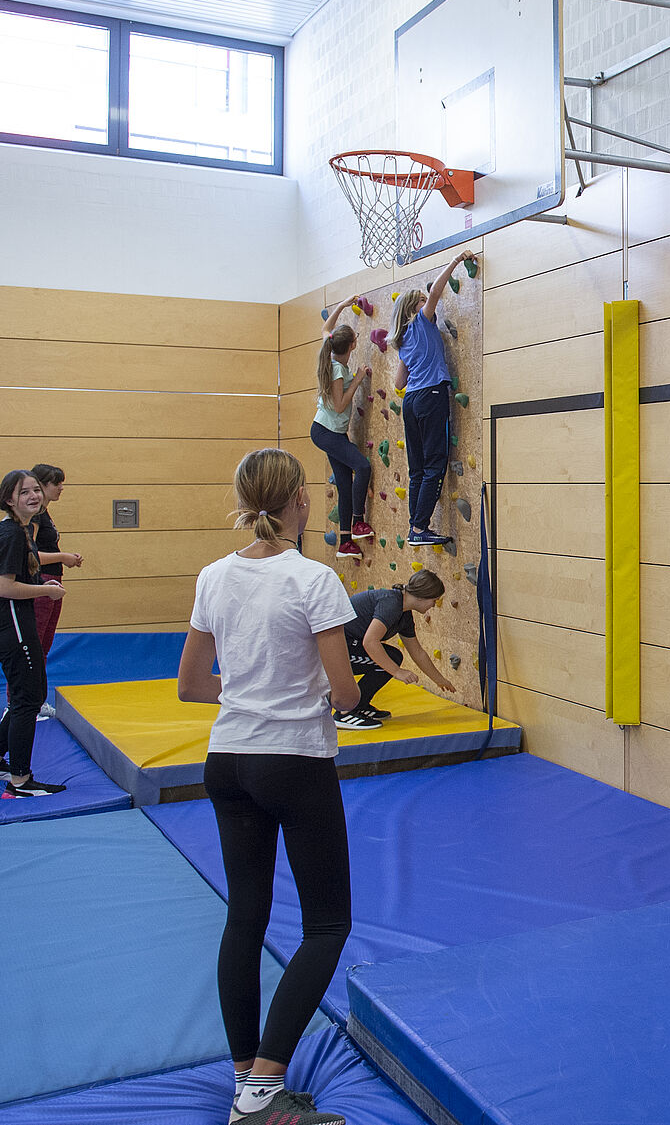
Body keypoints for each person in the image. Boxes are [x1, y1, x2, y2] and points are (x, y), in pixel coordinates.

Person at [176, 448, 359, 1125]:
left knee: (245, 916)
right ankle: (261, 1090)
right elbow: (342, 693)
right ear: (300, 502)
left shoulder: (213, 575)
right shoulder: (314, 579)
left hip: (227, 760)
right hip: (292, 760)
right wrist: (313, 690)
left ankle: (243, 1078)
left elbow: (192, 685)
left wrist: (248, 687)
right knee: (328, 924)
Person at [0, 470, 68, 797]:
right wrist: (44, 593)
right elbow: (4, 586)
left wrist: (42, 584)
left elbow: (16, 577)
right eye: (24, 492)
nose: (34, 496)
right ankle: (20, 780)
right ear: (9, 499)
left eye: (36, 490)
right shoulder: (11, 533)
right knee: (27, 699)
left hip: (10, 622)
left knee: (32, 693)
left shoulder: (21, 531)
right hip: (9, 625)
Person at [391, 251, 473, 547]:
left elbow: (399, 382)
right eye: (423, 303)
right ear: (416, 308)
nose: (430, 305)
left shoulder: (402, 340)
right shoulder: (421, 323)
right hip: (431, 395)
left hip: (410, 402)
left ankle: (415, 526)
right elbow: (436, 291)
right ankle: (419, 527)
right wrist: (454, 262)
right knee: (435, 464)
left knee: (417, 469)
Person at [339, 570, 458, 727]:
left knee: (394, 656)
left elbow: (418, 653)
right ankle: (345, 711)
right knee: (391, 661)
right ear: (422, 596)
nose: (434, 605)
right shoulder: (391, 603)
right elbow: (370, 642)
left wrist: (439, 680)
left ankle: (359, 705)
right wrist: (397, 672)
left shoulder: (404, 614)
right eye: (434, 600)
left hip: (349, 645)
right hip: (332, 650)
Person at [312, 299, 374, 559]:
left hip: (330, 433)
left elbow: (326, 327)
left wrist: (344, 305)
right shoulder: (337, 369)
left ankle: (345, 542)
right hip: (326, 432)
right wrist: (358, 380)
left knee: (345, 486)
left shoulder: (329, 351)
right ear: (352, 345)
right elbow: (339, 406)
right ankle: (358, 521)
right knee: (362, 467)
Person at [27, 463, 82, 658]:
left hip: (53, 580)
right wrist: (62, 557)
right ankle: (24, 687)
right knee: (35, 643)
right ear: (41, 485)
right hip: (42, 581)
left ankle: (37, 686)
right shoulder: (35, 516)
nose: (61, 488)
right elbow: (30, 554)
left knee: (43, 645)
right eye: (56, 483)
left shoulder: (44, 515)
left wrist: (66, 557)